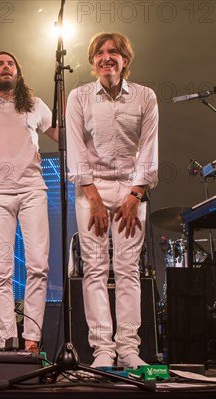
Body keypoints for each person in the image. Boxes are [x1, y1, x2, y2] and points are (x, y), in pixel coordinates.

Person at [66, 32, 159, 368]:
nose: (107, 57)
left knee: (127, 270)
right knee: (93, 269)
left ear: (125, 60)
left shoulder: (146, 97)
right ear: (93, 62)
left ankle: (129, 349)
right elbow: (75, 148)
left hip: (132, 189)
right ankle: (102, 349)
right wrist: (92, 196)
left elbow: (149, 148)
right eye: (100, 53)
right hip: (92, 189)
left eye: (114, 52)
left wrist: (136, 194)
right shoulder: (78, 97)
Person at [0, 51, 58, 352]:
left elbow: (61, 134)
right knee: (1, 270)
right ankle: (8, 340)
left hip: (33, 189)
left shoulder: (34, 105)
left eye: (11, 63)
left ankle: (32, 339)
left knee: (38, 266)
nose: (6, 67)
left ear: (18, 72)